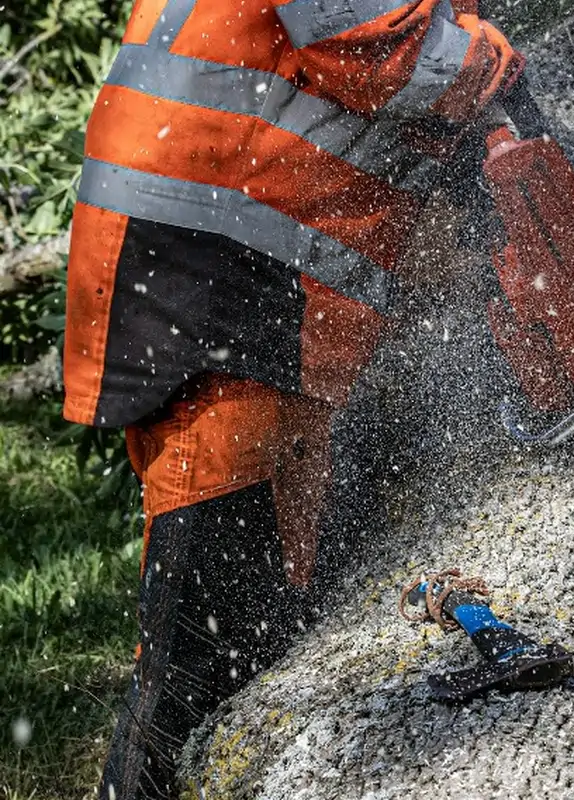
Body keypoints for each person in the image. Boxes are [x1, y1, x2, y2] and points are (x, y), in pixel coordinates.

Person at [61, 1, 522, 796]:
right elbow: (378, 48)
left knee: (266, 612)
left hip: (211, 239)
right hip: (217, 259)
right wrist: (501, 71)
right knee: (209, 640)